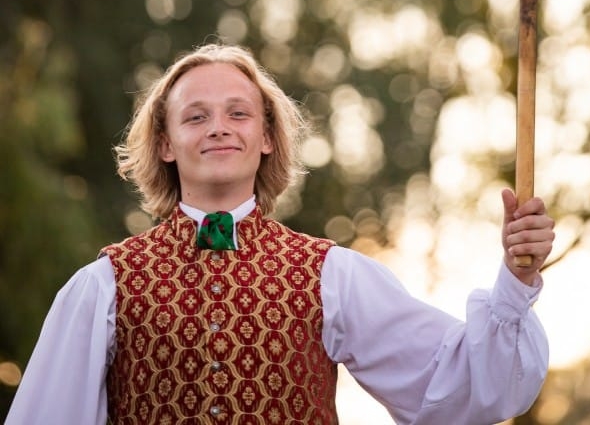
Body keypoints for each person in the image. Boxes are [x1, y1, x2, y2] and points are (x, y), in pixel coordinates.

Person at [6, 41, 555, 425]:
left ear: (267, 137)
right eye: (195, 117)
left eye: (238, 113)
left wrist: (515, 278)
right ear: (166, 145)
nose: (218, 126)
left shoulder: (331, 276)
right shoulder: (103, 286)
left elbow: (456, 386)